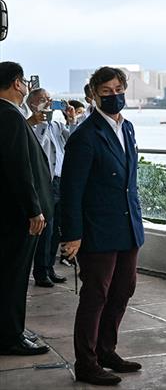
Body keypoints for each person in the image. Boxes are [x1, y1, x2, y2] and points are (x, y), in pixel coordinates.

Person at [61, 66, 144, 386]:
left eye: (118, 89)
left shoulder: (129, 128)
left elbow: (128, 181)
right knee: (95, 296)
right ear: (92, 95)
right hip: (97, 230)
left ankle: (107, 350)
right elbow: (71, 189)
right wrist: (72, 235)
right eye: (106, 91)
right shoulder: (84, 136)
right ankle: (87, 362)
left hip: (128, 226)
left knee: (123, 290)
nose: (114, 96)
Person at [0, 62, 53, 356]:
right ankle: (11, 335)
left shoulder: (11, 115)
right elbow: (19, 168)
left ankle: (12, 329)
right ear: (17, 83)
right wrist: (34, 209)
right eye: (23, 82)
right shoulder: (9, 116)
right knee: (14, 276)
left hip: (11, 212)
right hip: (19, 215)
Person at [26, 88, 77, 287]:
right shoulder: (30, 126)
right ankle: (40, 272)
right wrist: (41, 121)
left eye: (49, 100)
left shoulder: (56, 125)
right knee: (45, 230)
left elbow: (72, 140)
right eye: (42, 100)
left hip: (61, 182)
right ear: (32, 105)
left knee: (57, 229)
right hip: (45, 184)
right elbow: (38, 145)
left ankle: (49, 267)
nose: (48, 103)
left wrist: (71, 120)